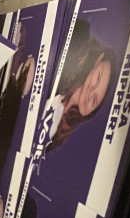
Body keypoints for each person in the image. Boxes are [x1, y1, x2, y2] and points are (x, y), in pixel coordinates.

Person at [44, 20, 118, 152]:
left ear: (91, 112)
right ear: (98, 59)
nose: (90, 92)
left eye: (95, 100)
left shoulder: (60, 135)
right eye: (98, 78)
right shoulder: (79, 36)